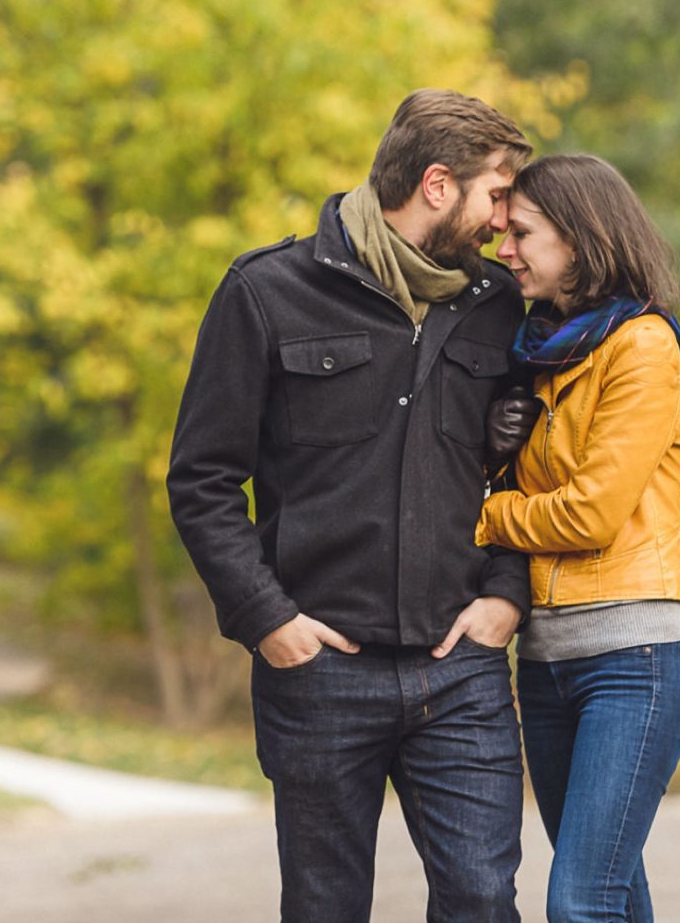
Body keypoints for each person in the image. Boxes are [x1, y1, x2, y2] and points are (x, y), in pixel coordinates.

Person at [167, 89, 534, 923]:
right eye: (497, 192)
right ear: (438, 184)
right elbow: (201, 478)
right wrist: (269, 620)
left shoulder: (498, 307)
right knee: (326, 907)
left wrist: (506, 594)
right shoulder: (266, 292)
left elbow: (524, 468)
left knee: (483, 898)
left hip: (462, 670)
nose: (503, 219)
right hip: (320, 672)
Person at [477, 153, 680, 923]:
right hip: (545, 661)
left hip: (634, 658)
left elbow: (587, 514)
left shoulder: (641, 347)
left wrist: (478, 515)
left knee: (580, 901)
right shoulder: (539, 352)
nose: (504, 249)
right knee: (612, 889)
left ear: (578, 239)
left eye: (523, 233)